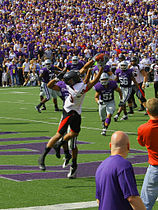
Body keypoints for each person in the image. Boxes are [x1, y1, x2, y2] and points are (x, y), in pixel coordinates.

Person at [38, 53, 105, 178]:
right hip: (70, 112)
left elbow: (82, 72)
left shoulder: (66, 84)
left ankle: (72, 164)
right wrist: (99, 66)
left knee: (70, 140)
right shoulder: (78, 88)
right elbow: (90, 80)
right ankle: (58, 154)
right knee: (63, 137)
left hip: (69, 110)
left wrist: (91, 62)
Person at [95, 131, 146, 210]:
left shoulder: (101, 167)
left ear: (110, 146)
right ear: (128, 146)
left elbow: (99, 200)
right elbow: (132, 198)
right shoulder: (124, 165)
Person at [137, 98, 158, 210]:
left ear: (148, 111)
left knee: (145, 204)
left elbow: (141, 143)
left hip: (155, 168)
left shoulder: (143, 128)